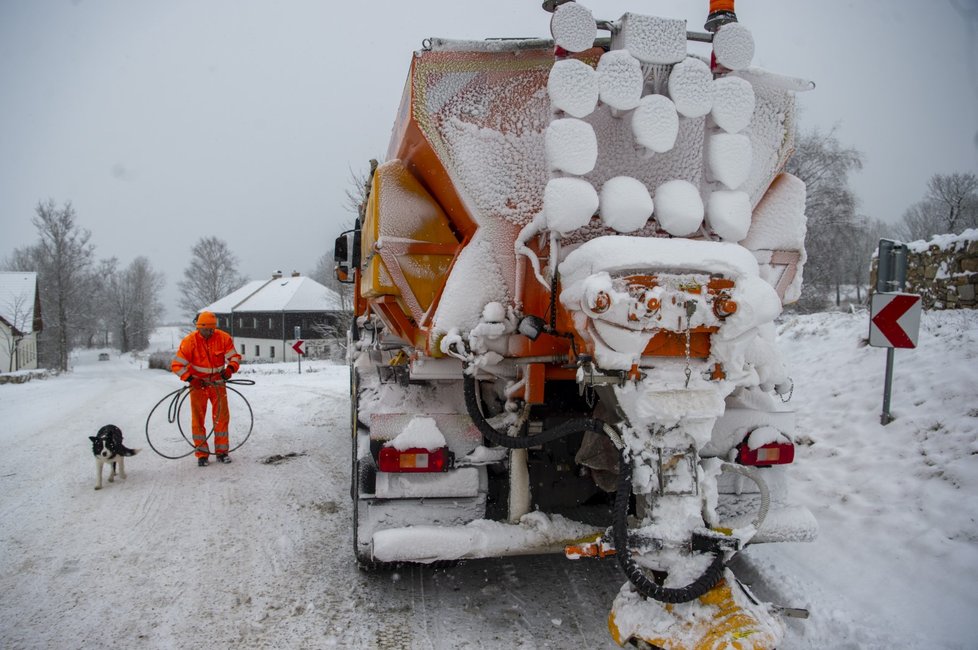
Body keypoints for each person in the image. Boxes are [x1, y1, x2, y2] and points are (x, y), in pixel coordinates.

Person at [171, 311, 242, 466]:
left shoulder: (223, 338)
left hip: (218, 384)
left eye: (211, 329)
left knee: (222, 418)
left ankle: (222, 452)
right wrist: (191, 379)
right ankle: (202, 454)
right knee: (198, 419)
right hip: (198, 386)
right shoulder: (189, 342)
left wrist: (230, 369)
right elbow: (177, 366)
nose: (209, 332)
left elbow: (234, 357)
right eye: (205, 330)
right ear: (199, 328)